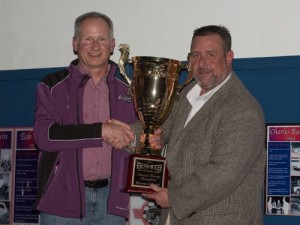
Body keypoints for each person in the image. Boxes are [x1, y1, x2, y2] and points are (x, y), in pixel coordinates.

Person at [142, 25, 266, 225]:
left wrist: (174, 197)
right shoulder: (186, 94)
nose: (202, 63)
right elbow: (158, 127)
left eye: (210, 54)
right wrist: (121, 132)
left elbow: (223, 172)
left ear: (228, 57)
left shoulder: (243, 109)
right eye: (195, 55)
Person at [32, 11, 138, 225]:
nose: (95, 46)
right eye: (88, 39)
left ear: (112, 44)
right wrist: (100, 131)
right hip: (61, 201)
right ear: (75, 43)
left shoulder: (130, 91)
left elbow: (137, 135)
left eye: (101, 39)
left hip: (112, 201)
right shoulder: (52, 86)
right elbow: (44, 136)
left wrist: (141, 138)